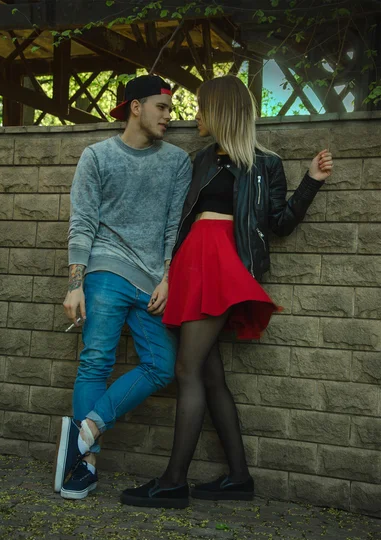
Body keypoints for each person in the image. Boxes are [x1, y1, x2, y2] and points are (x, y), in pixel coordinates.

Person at [120, 75, 333, 509]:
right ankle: (238, 477)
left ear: (220, 110)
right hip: (191, 267)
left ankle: (174, 481)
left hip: (221, 269)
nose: (194, 116)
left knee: (187, 370)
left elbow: (280, 224)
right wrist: (165, 273)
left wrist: (310, 181)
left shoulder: (265, 164)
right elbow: (179, 220)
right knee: (210, 375)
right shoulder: (198, 159)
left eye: (201, 108)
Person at [53, 75, 192, 500]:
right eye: (162, 108)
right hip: (106, 271)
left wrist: (168, 278)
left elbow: (175, 226)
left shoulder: (177, 162)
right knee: (96, 361)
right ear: (135, 107)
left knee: (163, 366)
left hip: (152, 281)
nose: (170, 117)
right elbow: (83, 224)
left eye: (170, 109)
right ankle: (86, 467)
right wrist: (75, 284)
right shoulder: (97, 157)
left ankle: (87, 428)